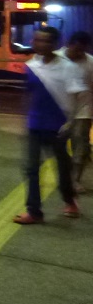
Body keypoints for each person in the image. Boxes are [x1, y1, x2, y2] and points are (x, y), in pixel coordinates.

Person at [13, 26, 83, 224]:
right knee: (31, 168)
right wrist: (24, 120)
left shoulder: (68, 67)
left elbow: (77, 96)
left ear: (54, 44)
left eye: (45, 41)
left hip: (58, 127)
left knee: (62, 167)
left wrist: (72, 122)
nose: (39, 44)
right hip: (35, 125)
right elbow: (28, 95)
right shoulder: (31, 66)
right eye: (37, 40)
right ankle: (34, 211)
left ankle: (69, 200)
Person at [59, 30, 93, 193]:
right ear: (69, 44)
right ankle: (65, 174)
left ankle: (75, 180)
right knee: (57, 145)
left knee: (81, 146)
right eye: (77, 49)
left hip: (83, 111)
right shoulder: (56, 59)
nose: (79, 54)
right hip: (60, 111)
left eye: (83, 50)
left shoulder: (90, 62)